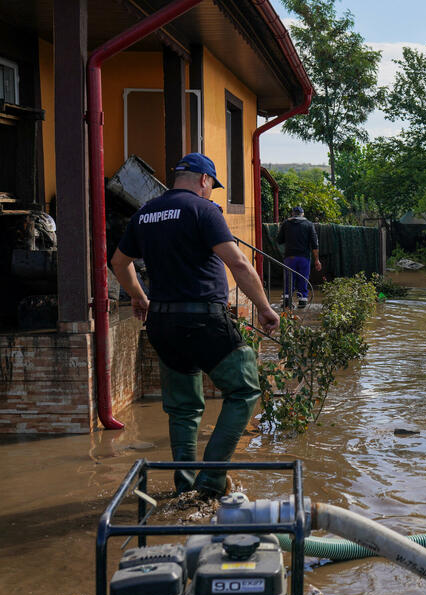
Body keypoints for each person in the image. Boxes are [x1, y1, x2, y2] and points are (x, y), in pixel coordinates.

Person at [111, 152, 280, 497]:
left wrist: (139, 297)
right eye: (211, 186)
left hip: (162, 323)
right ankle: (212, 479)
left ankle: (185, 487)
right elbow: (239, 263)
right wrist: (264, 308)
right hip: (204, 320)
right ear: (204, 180)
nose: (211, 192)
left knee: (183, 408)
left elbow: (118, 262)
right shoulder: (203, 210)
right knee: (245, 389)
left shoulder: (144, 214)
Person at [277, 205, 321, 308]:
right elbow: (315, 244)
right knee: (303, 279)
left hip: (289, 257)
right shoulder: (309, 225)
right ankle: (302, 302)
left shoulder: (286, 224)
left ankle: (287, 302)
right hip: (304, 257)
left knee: (288, 279)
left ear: (292, 213)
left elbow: (279, 240)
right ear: (303, 214)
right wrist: (317, 260)